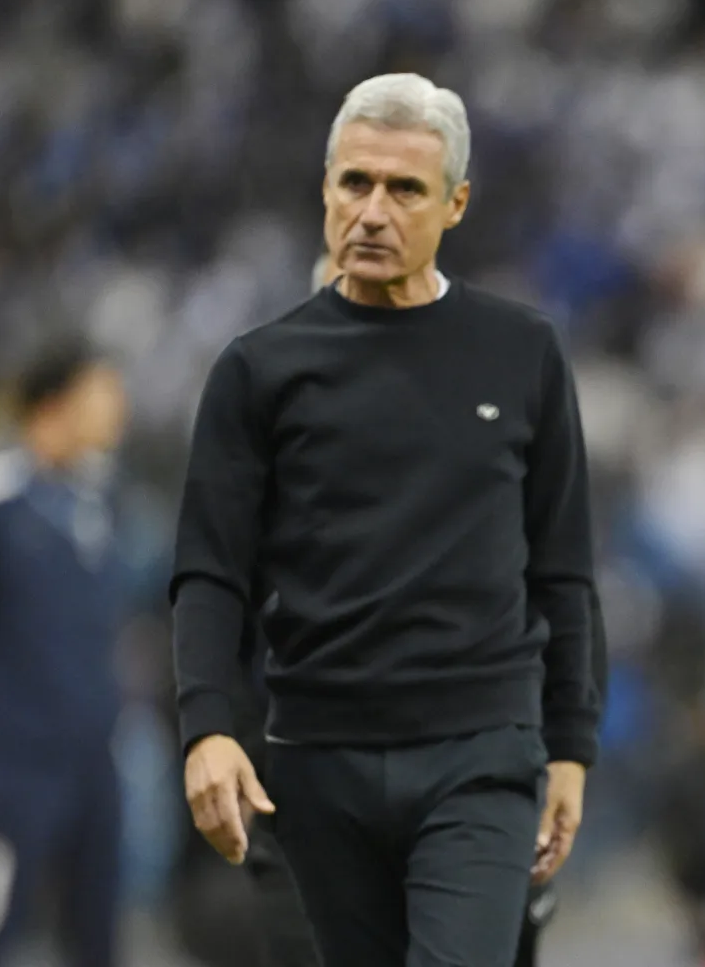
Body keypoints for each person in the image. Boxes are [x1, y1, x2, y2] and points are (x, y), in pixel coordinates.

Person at [171, 72, 602, 967]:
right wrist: (208, 726)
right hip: (316, 760)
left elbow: (562, 570)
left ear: (455, 204)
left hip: (478, 754)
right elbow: (212, 571)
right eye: (353, 183)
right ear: (324, 191)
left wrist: (570, 746)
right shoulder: (259, 371)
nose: (373, 211)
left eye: (405, 189)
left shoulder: (521, 352)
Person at [233, 252, 571, 967]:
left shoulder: (480, 453)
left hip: (470, 767)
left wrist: (560, 753)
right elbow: (215, 618)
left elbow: (562, 588)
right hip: (315, 782)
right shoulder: (265, 456)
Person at [0, 343, 132, 967]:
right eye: (101, 392)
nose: (115, 407)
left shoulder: (100, 499)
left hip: (94, 753)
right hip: (17, 760)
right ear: (57, 402)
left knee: (98, 931)